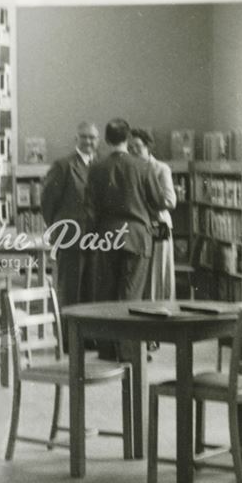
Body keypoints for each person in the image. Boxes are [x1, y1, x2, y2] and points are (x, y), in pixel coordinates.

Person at [85, 119, 168, 358]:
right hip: (137, 237)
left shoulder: (96, 168)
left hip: (106, 236)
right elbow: (158, 201)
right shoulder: (142, 166)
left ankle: (108, 349)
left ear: (107, 139)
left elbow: (90, 208)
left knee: (106, 292)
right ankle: (128, 350)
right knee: (131, 293)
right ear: (127, 138)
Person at [41, 122, 99, 309]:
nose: (88, 141)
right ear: (76, 139)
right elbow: (48, 202)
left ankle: (91, 338)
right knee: (70, 293)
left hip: (99, 240)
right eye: (84, 137)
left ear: (98, 141)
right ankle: (68, 337)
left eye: (92, 137)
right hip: (71, 239)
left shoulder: (101, 165)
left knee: (93, 292)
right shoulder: (63, 166)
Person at [129, 128, 176, 300]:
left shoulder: (161, 169)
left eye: (137, 147)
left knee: (157, 272)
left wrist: (143, 203)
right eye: (130, 147)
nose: (133, 151)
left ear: (148, 147)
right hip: (138, 228)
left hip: (158, 226)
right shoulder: (130, 169)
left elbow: (170, 201)